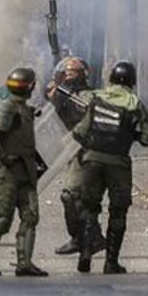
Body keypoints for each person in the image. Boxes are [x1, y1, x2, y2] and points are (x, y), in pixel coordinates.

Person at [73, 61, 148, 275]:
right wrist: (132, 134)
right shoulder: (134, 104)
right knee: (118, 212)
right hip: (118, 164)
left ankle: (85, 254)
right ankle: (111, 263)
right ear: (132, 81)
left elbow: (79, 132)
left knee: (88, 208)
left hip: (92, 161)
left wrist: (91, 147)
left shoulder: (97, 99)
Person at [0, 67, 47, 277]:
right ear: (29, 87)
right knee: (3, 219)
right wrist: (2, 157)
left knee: (30, 217)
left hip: (25, 170)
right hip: (8, 171)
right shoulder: (8, 107)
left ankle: (24, 263)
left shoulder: (23, 109)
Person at [45, 57, 104, 256]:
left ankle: (82, 239)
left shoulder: (88, 95)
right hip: (73, 152)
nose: (67, 76)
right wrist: (54, 95)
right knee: (78, 198)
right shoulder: (62, 94)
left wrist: (61, 93)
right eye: (65, 73)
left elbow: (86, 109)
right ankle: (90, 237)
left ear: (82, 75)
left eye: (71, 73)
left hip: (89, 151)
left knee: (73, 196)